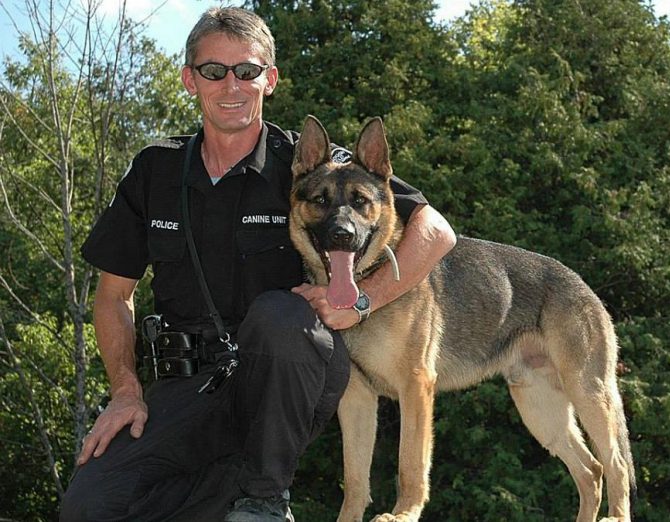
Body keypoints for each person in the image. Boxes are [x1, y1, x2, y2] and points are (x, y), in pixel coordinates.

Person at [59, 6, 456, 522]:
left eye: (246, 71)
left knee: (279, 314)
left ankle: (265, 502)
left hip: (286, 378)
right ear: (189, 80)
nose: (231, 85)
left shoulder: (314, 167)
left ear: (269, 79)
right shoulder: (154, 170)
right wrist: (125, 392)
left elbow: (436, 232)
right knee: (88, 506)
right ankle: (226, 492)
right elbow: (114, 297)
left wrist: (363, 302)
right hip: (186, 385)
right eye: (213, 71)